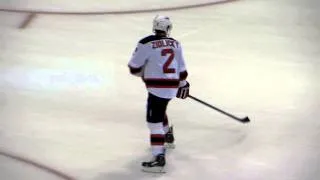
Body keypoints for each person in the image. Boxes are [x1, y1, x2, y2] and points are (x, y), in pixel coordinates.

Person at [128, 15, 190, 173]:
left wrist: (145, 71)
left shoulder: (146, 43)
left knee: (153, 123)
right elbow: (182, 70)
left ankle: (158, 158)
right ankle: (167, 135)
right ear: (168, 28)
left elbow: (134, 68)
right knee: (160, 109)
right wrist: (183, 85)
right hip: (171, 88)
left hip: (156, 88)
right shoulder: (176, 44)